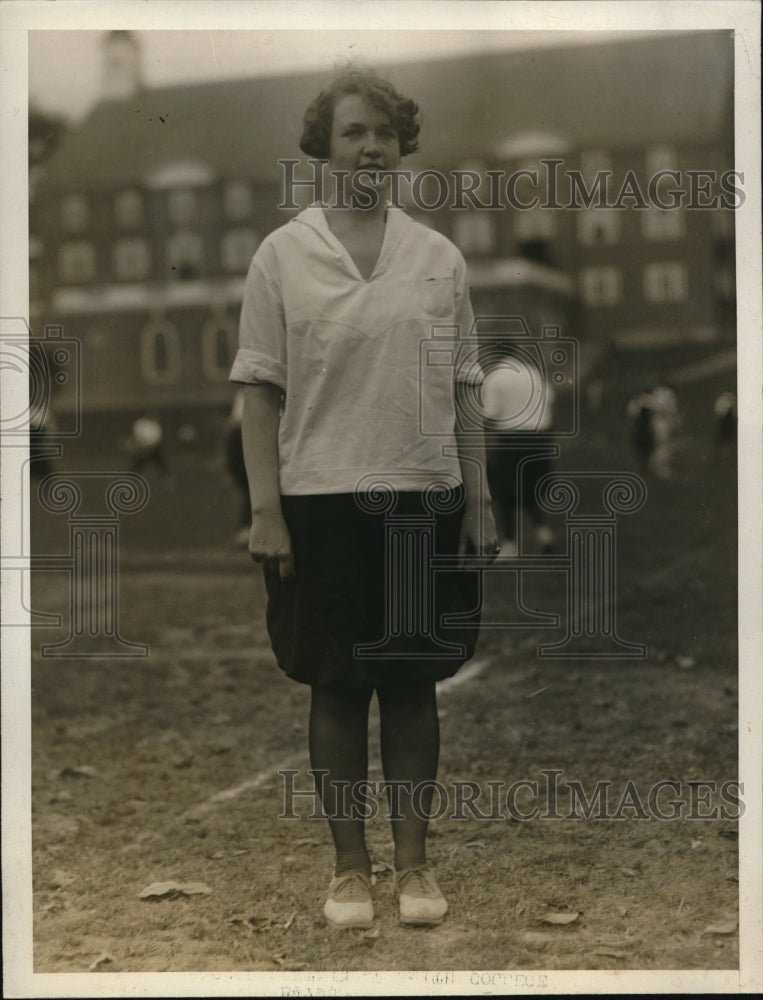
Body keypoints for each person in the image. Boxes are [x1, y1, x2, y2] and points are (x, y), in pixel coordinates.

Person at [229, 69, 497, 930]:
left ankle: (414, 869)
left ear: (400, 146)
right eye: (352, 133)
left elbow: (462, 389)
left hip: (421, 497)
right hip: (320, 501)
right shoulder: (282, 256)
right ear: (323, 147)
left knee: (413, 686)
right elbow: (259, 392)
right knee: (338, 688)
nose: (370, 147)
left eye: (383, 132)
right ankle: (350, 871)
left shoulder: (436, 257)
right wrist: (267, 508)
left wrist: (481, 498)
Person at [482, 353, 557, 555]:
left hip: (512, 437)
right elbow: (550, 402)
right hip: (540, 436)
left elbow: (489, 414)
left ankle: (509, 545)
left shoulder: (495, 377)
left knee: (503, 491)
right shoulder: (533, 373)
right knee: (530, 488)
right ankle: (544, 534)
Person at [224, 390, 251, 546]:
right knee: (250, 493)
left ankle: (245, 529)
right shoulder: (244, 394)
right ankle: (244, 530)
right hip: (244, 436)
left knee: (251, 494)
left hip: (245, 435)